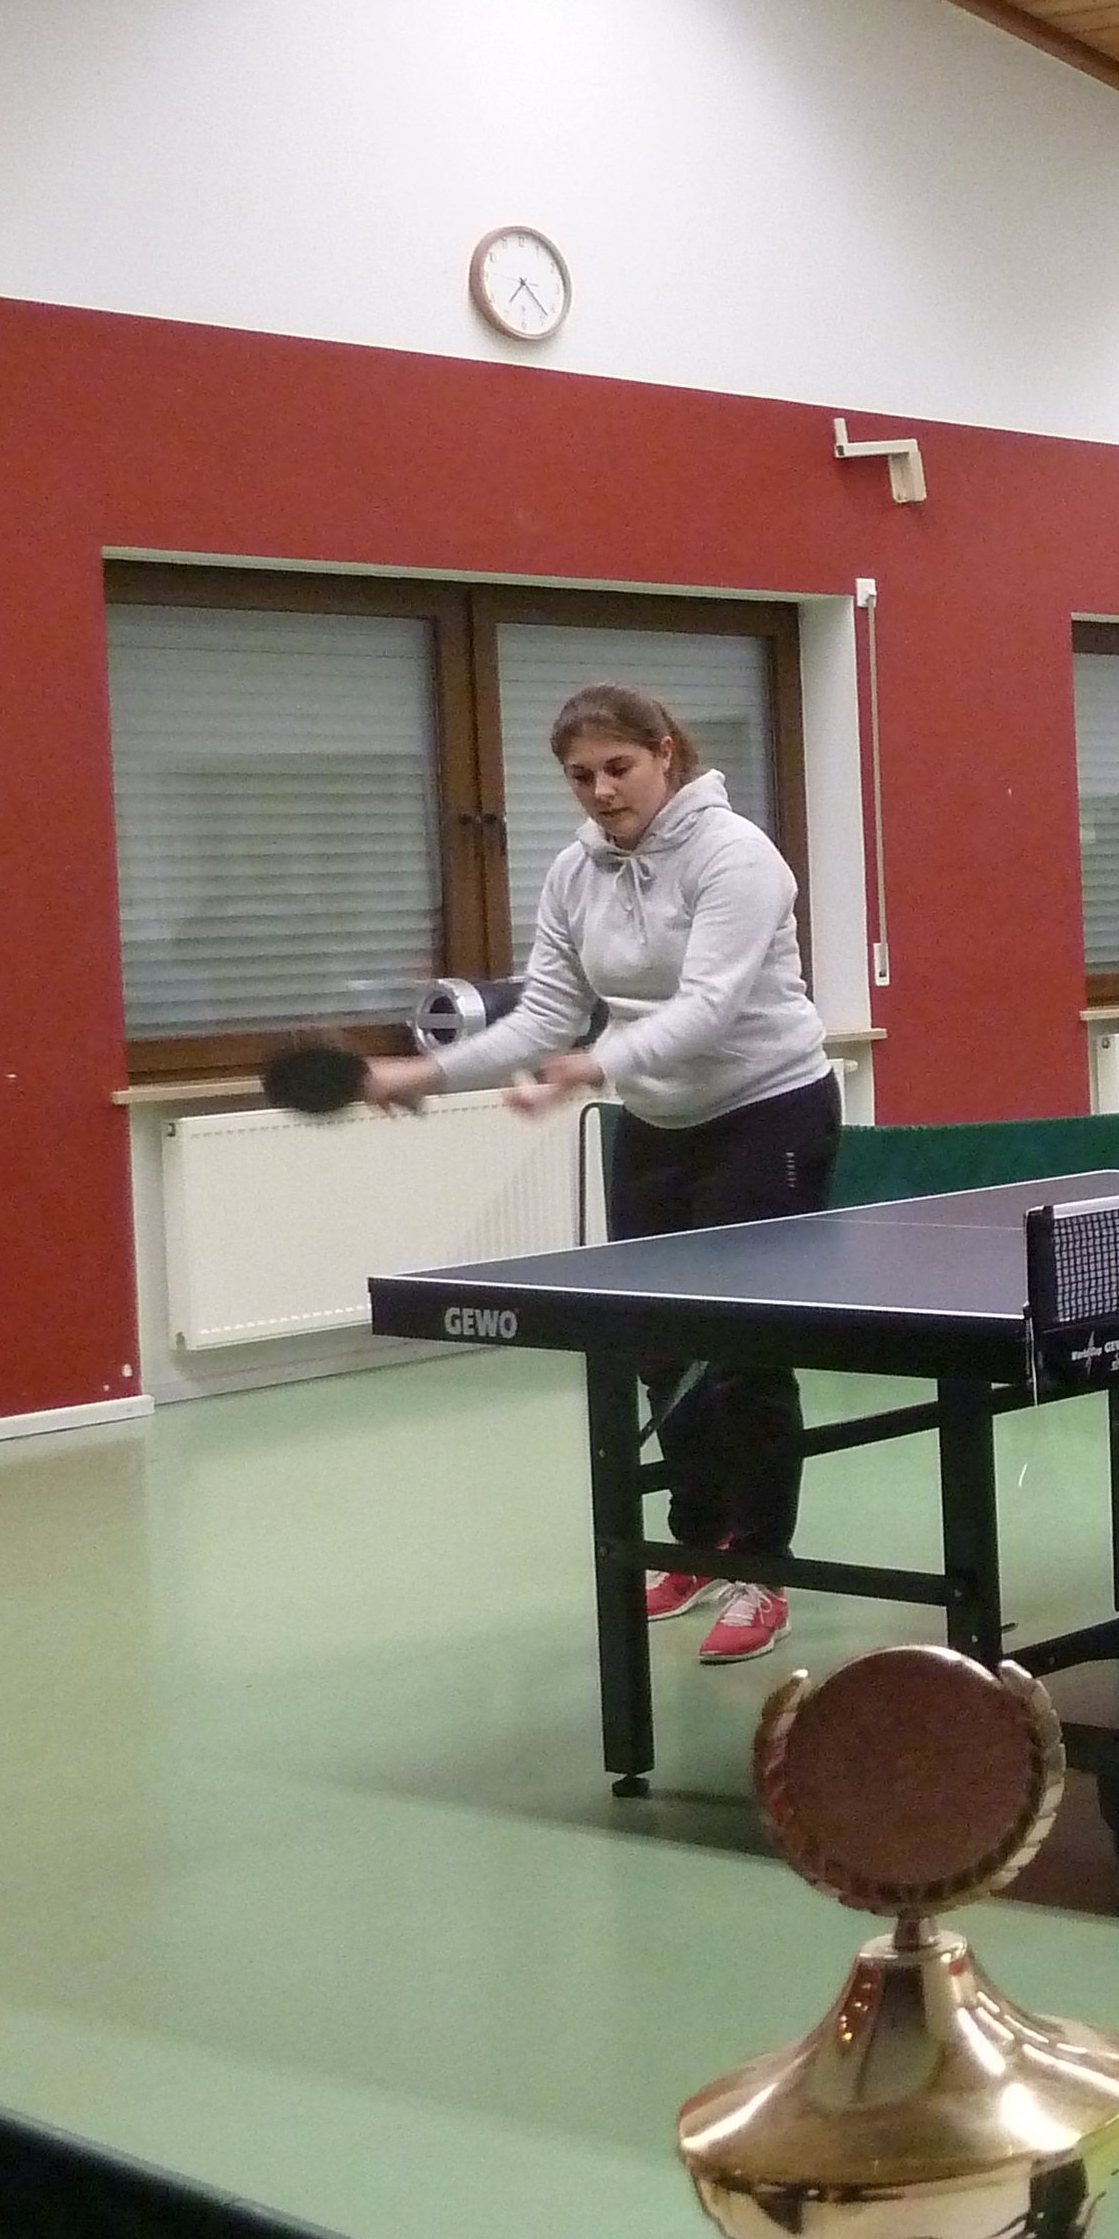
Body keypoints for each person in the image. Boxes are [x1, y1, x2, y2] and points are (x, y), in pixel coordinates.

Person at [362, 684, 840, 1666]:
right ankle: (698, 1543)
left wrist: (595, 1064)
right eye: (580, 776)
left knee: (744, 1356)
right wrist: (427, 1075)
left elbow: (709, 1007)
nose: (600, 790)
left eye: (617, 767)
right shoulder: (575, 872)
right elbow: (545, 1014)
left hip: (768, 1112)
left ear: (664, 752)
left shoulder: (737, 857)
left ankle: (764, 1570)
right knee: (658, 1346)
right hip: (657, 1123)